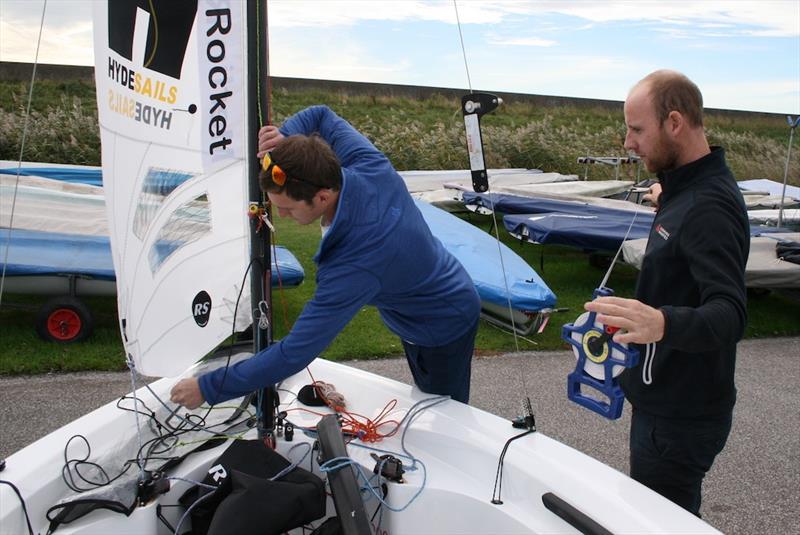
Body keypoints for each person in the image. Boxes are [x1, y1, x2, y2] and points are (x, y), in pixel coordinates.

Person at [171, 105, 481, 410]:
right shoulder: (368, 165)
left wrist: (208, 387)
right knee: (428, 396)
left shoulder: (356, 263)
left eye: (288, 208)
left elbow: (295, 352)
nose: (279, 215)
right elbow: (321, 115)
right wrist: (286, 137)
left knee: (444, 411)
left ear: (322, 196)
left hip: (442, 322)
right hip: (420, 299)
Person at [584, 70, 749, 516]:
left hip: (680, 417)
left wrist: (661, 322)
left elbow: (730, 313)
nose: (627, 143)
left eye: (637, 129)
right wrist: (668, 198)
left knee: (661, 524)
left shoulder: (707, 206)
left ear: (674, 123)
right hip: (669, 404)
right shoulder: (687, 191)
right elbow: (689, 224)